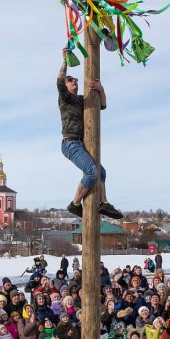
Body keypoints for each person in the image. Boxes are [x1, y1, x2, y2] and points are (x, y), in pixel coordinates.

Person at [57, 47, 122, 220]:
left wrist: (100, 89)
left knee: (101, 172)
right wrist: (65, 61)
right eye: (70, 80)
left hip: (81, 142)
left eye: (76, 80)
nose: (74, 81)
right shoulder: (65, 98)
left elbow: (102, 105)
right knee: (92, 171)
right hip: (70, 143)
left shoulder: (81, 100)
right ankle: (75, 204)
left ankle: (104, 203)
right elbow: (59, 81)